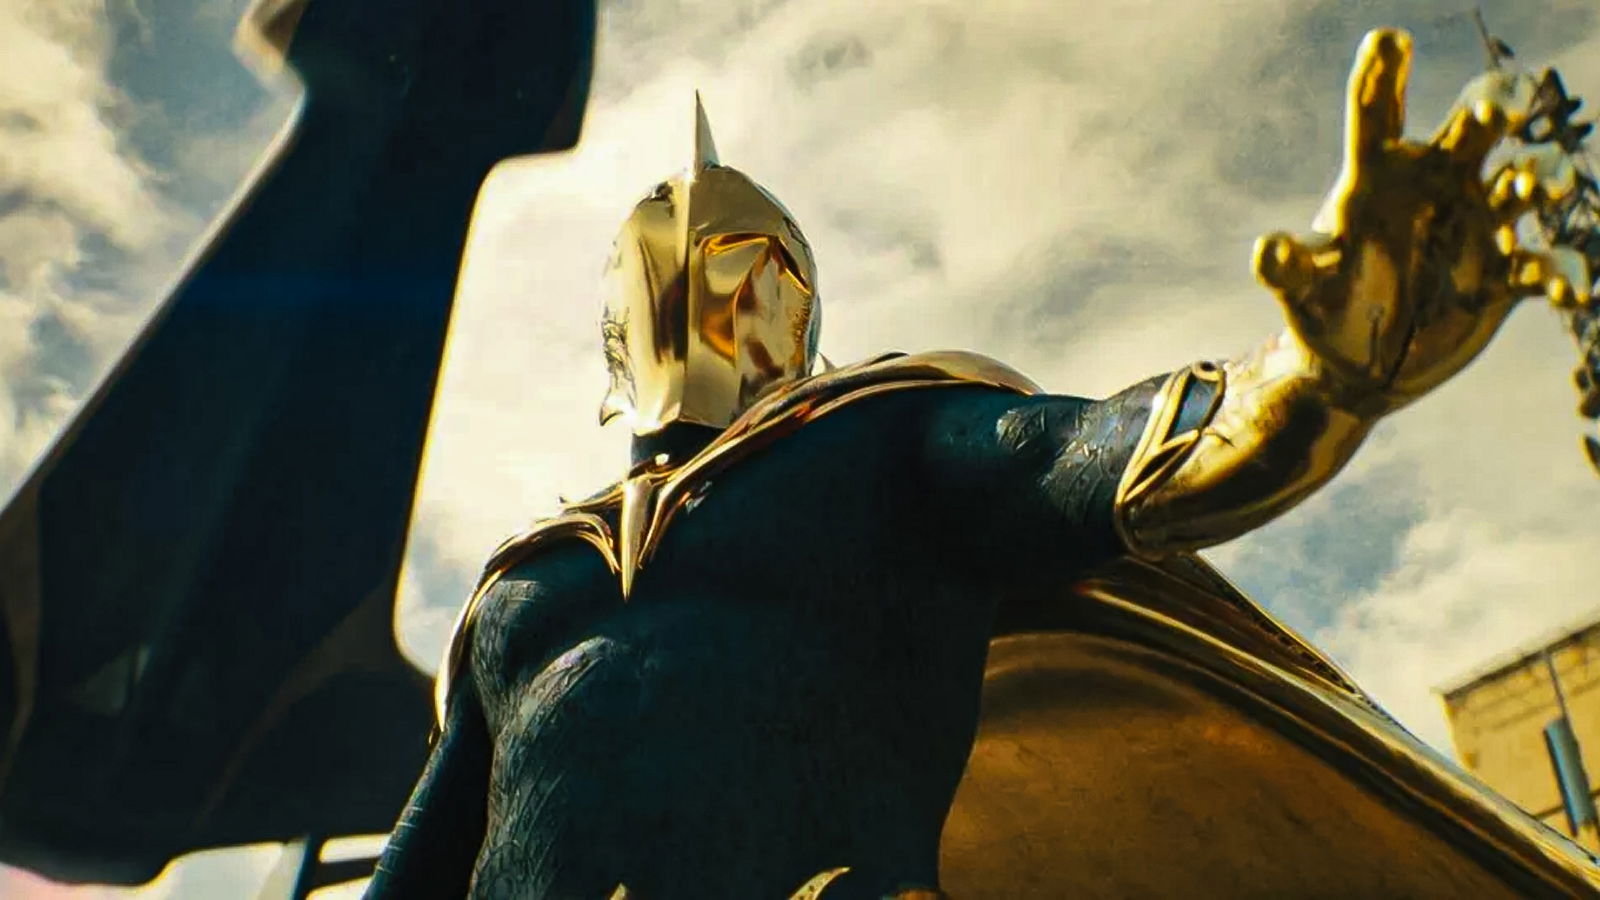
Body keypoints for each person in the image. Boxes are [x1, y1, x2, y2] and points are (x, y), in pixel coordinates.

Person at [366, 30, 1590, 899]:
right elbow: (423, 862)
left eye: (755, 269)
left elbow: (1103, 455)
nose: (717, 286)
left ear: (801, 306)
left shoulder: (878, 440)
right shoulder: (520, 586)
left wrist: (1316, 378)